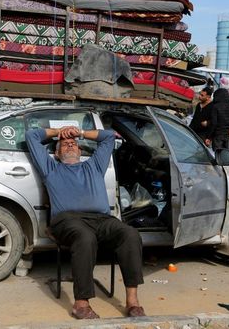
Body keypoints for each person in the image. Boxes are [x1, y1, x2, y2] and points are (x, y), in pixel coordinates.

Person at [26, 125, 145, 320]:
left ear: (81, 151)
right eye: (64, 145)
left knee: (130, 234)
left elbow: (108, 137)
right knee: (85, 237)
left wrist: (79, 132)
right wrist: (60, 132)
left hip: (102, 219)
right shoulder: (51, 168)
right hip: (67, 220)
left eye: (73, 144)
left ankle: (133, 302)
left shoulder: (94, 165)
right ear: (56, 153)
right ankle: (81, 304)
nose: (70, 145)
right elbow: (32, 135)